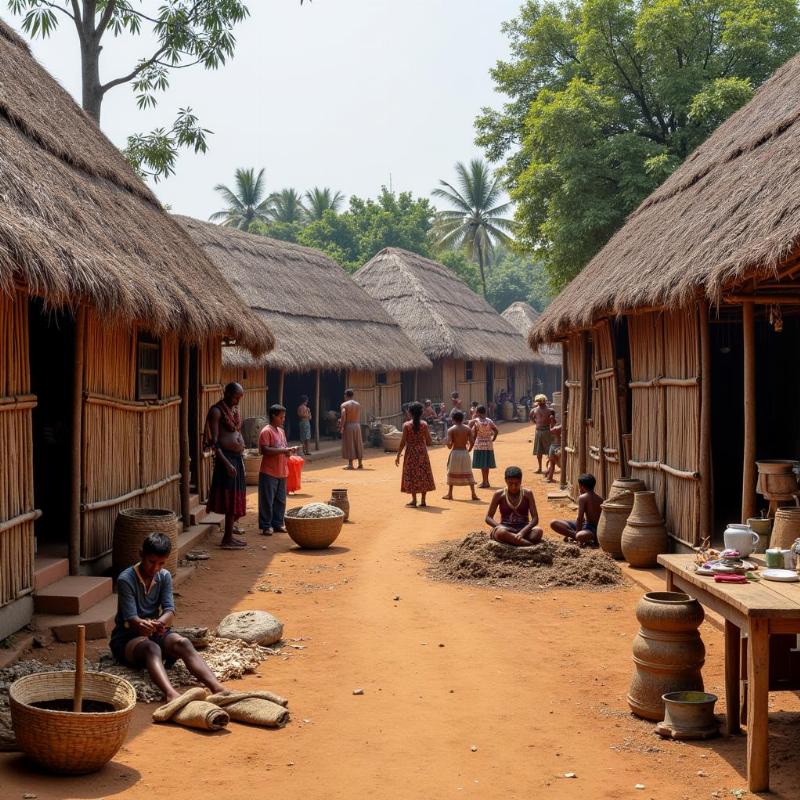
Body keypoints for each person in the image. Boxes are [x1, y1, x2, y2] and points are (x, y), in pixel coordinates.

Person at [110, 533, 227, 702]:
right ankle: (171, 694)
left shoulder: (164, 576)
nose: (156, 568)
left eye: (161, 563)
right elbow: (131, 619)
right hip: (128, 638)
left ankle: (218, 688)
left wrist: (159, 622)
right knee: (152, 649)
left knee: (184, 643)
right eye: (152, 562)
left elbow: (169, 610)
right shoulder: (126, 579)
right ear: (141, 554)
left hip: (155, 631)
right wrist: (143, 625)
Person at [204, 382, 247, 549]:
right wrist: (227, 463)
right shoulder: (216, 411)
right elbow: (214, 443)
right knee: (229, 499)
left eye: (239, 398)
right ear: (227, 393)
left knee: (235, 498)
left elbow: (235, 432)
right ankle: (227, 539)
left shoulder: (233, 411)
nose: (237, 401)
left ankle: (229, 535)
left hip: (236, 458)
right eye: (236, 397)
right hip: (225, 461)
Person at [258, 404, 298, 536]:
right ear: (274, 416)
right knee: (267, 500)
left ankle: (278, 523)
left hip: (282, 471)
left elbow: (283, 448)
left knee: (280, 500)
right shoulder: (266, 431)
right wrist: (284, 450)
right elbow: (265, 450)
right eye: (281, 417)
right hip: (269, 471)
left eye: (284, 417)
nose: (283, 419)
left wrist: (289, 451)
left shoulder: (281, 431)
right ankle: (266, 525)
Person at [485, 466, 543, 547]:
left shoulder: (527, 494)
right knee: (500, 533)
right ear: (505, 481)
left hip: (523, 528)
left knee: (538, 532)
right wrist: (499, 526)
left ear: (521, 481)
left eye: (516, 484)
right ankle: (527, 544)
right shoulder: (499, 494)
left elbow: (535, 518)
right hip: (505, 528)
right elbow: (488, 517)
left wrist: (522, 532)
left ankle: (515, 541)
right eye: (510, 484)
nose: (513, 487)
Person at [395, 401, 436, 508]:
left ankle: (414, 500)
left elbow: (403, 442)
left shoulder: (406, 425)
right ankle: (423, 500)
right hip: (422, 452)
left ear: (410, 413)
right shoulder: (424, 425)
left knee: (412, 473)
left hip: (411, 452)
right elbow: (429, 441)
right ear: (421, 413)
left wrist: (398, 455)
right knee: (423, 473)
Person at [551, 473, 604, 546]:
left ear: (581, 486)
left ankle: (577, 537)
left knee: (579, 535)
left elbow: (580, 518)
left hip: (591, 529)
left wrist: (578, 535)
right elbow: (581, 520)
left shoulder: (583, 498)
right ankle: (577, 536)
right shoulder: (600, 499)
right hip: (585, 525)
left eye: (579, 486)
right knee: (554, 522)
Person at [442, 410, 479, 501]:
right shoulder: (467, 429)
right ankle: (473, 493)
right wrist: (469, 450)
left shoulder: (451, 430)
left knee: (451, 472)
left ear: (453, 419)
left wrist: (446, 442)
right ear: (462, 419)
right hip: (464, 452)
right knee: (468, 472)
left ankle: (450, 494)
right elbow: (472, 442)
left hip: (455, 453)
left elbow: (450, 445)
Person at [471, 404, 498, 488]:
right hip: (488, 445)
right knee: (486, 464)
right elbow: (496, 431)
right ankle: (486, 481)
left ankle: (485, 482)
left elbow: (474, 433)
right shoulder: (489, 421)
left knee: (483, 465)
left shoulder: (476, 421)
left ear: (478, 412)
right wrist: (493, 438)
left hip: (479, 445)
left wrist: (472, 442)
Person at [529, 394, 556, 473]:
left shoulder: (550, 410)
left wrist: (551, 427)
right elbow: (531, 418)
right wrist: (537, 423)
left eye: (542, 401)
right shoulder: (534, 410)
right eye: (539, 402)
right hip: (538, 431)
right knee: (538, 451)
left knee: (549, 451)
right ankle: (540, 468)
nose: (541, 403)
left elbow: (553, 422)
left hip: (547, 431)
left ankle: (550, 468)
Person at [339, 389, 363, 470]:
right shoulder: (358, 404)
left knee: (350, 444)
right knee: (358, 443)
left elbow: (343, 415)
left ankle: (350, 464)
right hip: (357, 425)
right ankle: (360, 463)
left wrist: (341, 426)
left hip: (349, 425)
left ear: (346, 395)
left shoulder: (344, 405)